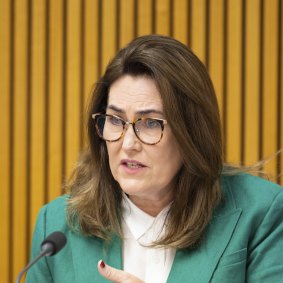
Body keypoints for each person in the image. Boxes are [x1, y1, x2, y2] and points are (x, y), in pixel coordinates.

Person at [26, 34, 283, 283]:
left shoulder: (261, 214)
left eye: (150, 123)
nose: (128, 144)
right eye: (115, 120)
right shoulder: (57, 225)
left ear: (191, 132)